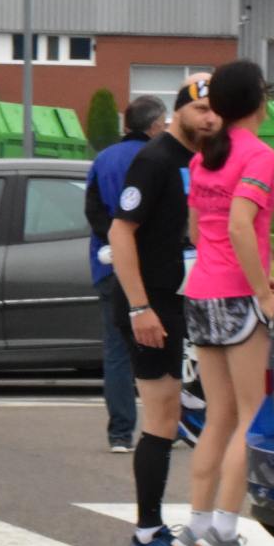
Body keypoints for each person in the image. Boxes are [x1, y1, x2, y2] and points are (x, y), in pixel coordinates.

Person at [167, 61, 274, 546]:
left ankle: (196, 525)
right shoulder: (258, 155)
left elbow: (199, 228)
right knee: (252, 416)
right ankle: (224, 533)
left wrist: (256, 274)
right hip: (237, 296)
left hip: (201, 292)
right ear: (258, 101)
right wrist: (263, 292)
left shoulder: (203, 157)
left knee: (218, 416)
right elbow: (240, 226)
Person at [107, 76, 218, 546]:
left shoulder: (199, 161)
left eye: (216, 112)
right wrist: (140, 308)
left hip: (180, 302)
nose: (210, 119)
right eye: (201, 110)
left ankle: (193, 406)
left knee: (175, 412)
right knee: (159, 421)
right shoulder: (153, 160)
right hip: (148, 307)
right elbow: (121, 231)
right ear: (179, 112)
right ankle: (147, 534)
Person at [85, 98, 165, 453]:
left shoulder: (103, 160)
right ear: (154, 125)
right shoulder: (160, 158)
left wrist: (114, 243)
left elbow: (93, 210)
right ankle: (168, 424)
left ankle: (120, 433)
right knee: (164, 345)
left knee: (116, 350)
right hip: (153, 266)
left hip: (108, 264)